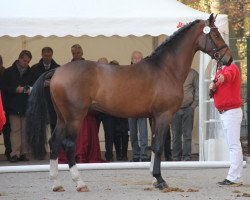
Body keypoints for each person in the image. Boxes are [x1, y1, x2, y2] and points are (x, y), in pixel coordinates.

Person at [58, 44, 103, 163]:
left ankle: (85, 155)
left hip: (87, 104)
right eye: (74, 53)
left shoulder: (89, 66)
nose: (76, 55)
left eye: (78, 53)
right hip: (72, 104)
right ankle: (74, 154)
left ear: (82, 53)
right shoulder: (68, 67)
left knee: (87, 131)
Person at [209, 63, 243, 186]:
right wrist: (212, 87)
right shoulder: (220, 71)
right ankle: (235, 176)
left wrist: (223, 77)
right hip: (225, 113)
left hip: (231, 112)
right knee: (233, 145)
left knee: (234, 145)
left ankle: (233, 177)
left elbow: (229, 75)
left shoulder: (231, 67)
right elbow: (218, 85)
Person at [2, 50, 33, 162]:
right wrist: (16, 89)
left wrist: (30, 89)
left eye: (28, 61)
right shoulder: (9, 72)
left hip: (26, 106)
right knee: (15, 130)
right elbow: (4, 88)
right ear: (19, 58)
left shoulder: (31, 72)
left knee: (25, 131)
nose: (26, 63)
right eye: (24, 60)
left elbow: (34, 87)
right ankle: (15, 153)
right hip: (13, 106)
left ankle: (24, 153)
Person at [171, 68, 199, 161]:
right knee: (176, 135)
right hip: (175, 109)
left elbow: (197, 90)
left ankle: (186, 157)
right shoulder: (173, 72)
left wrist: (193, 106)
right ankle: (176, 157)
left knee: (187, 134)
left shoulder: (193, 74)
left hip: (188, 108)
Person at [30, 47, 60, 134]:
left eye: (49, 56)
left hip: (53, 103)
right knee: (40, 130)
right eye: (45, 55)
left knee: (54, 129)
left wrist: (53, 83)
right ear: (42, 55)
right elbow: (30, 85)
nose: (47, 57)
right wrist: (40, 84)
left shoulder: (58, 68)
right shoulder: (34, 68)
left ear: (52, 55)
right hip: (39, 103)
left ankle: (53, 148)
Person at [128, 51, 149, 162]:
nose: (137, 60)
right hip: (130, 107)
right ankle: (136, 154)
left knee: (143, 132)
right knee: (133, 133)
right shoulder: (127, 72)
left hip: (142, 107)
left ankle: (144, 154)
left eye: (139, 58)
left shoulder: (146, 72)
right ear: (131, 60)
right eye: (135, 58)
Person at [95, 57, 116, 161]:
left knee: (109, 135)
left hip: (108, 111)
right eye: (101, 65)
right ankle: (95, 155)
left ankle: (109, 156)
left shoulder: (113, 78)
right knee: (94, 135)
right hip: (96, 110)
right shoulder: (93, 78)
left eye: (105, 65)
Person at [109, 60, 129, 161]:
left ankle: (124, 154)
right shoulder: (108, 81)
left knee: (124, 133)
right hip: (113, 109)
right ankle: (118, 154)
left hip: (124, 108)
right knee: (116, 133)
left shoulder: (124, 78)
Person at [0, 55, 11, 160]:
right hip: (4, 104)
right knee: (7, 130)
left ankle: (8, 150)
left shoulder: (6, 73)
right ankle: (8, 151)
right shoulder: (6, 72)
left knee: (7, 130)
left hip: (4, 104)